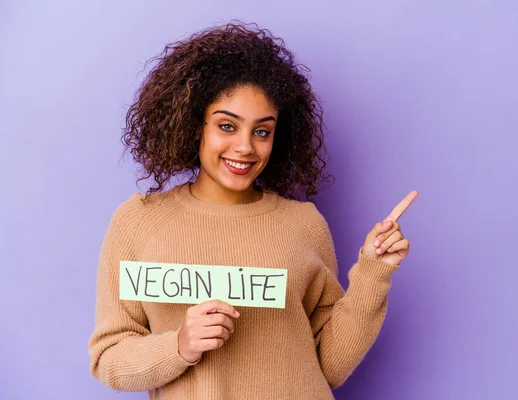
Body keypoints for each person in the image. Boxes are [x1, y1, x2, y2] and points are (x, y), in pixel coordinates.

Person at [88, 21, 418, 400]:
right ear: (195, 125)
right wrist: (180, 345)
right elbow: (108, 358)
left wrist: (373, 274)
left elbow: (330, 365)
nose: (245, 147)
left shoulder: (303, 224)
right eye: (227, 126)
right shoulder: (139, 222)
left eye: (262, 131)